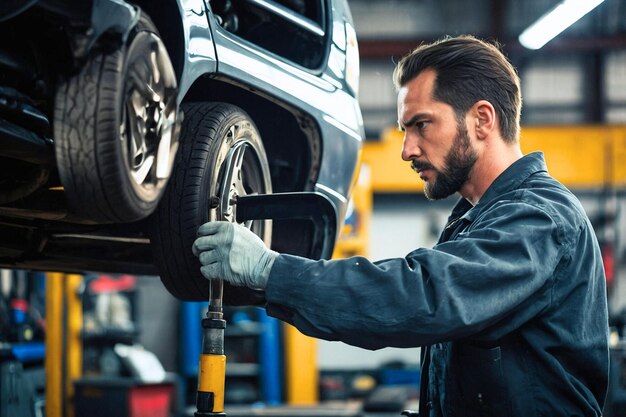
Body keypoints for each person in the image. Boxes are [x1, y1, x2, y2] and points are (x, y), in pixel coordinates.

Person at [192, 35, 609, 416]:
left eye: (421, 124)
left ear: (482, 120)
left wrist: (272, 271)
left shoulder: (540, 217)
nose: (407, 150)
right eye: (404, 130)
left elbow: (422, 297)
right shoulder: (473, 220)